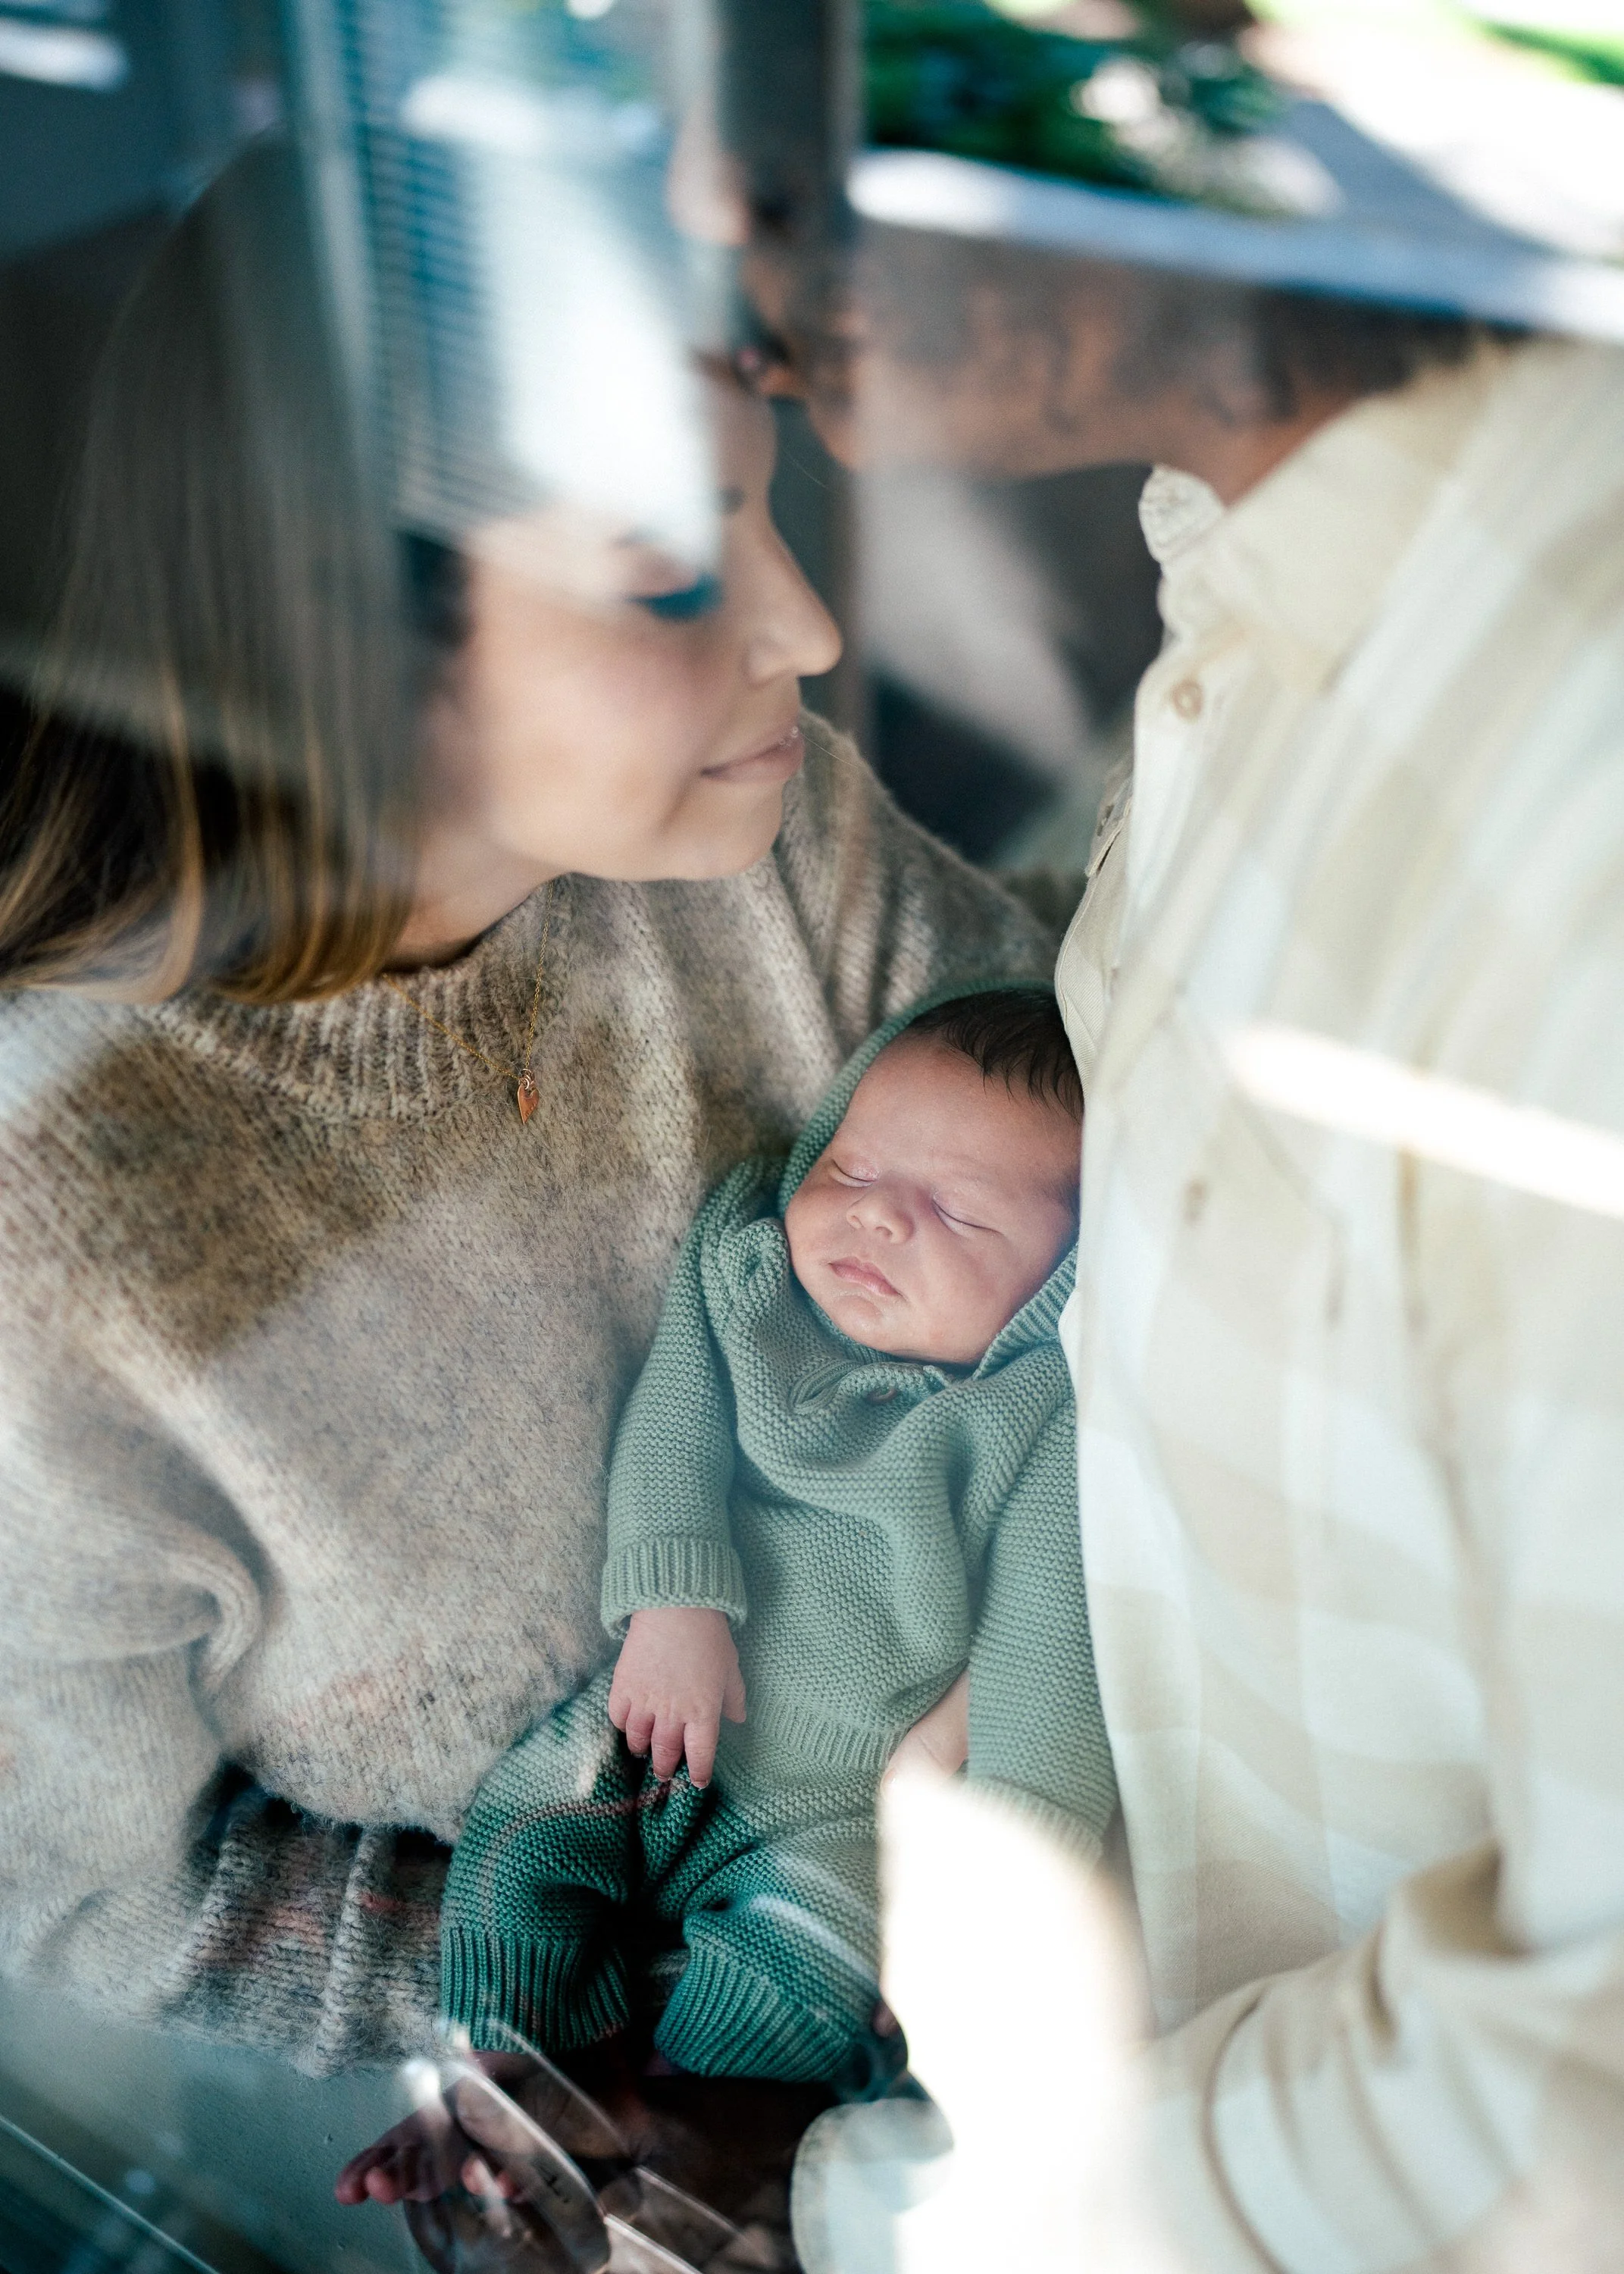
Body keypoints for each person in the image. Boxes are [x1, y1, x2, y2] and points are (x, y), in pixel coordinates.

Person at [0, 128, 1051, 2166]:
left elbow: (1103, 1177)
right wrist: (647, 2021)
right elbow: (88, 1894)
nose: (808, 631)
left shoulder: (765, 837)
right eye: (670, 565)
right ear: (330, 635)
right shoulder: (44, 1234)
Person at [759, 218, 1624, 2265]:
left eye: (810, 31)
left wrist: (884, 2220)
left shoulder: (1568, 834)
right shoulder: (1258, 564)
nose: (719, 190)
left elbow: (1583, 2096)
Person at [405, 987, 1107, 2101]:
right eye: (853, 1171)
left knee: (815, 1962)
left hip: (847, 1797)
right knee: (521, 1836)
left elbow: (1047, 1649)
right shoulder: (747, 1278)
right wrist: (675, 1605)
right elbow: (672, 1426)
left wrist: (1011, 1869)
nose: (876, 1219)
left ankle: (678, 2119)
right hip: (664, 1713)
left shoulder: (1043, 1415)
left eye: (961, 1213)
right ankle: (495, 2085)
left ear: (1064, 1282)